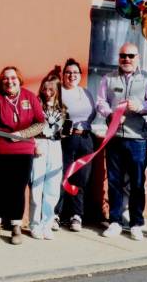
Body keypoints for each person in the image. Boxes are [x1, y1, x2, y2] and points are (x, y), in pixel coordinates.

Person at [97, 43, 147, 241]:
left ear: (138, 58)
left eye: (131, 56)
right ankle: (115, 221)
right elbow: (100, 102)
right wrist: (110, 114)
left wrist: (141, 106)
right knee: (114, 181)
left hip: (137, 139)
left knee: (137, 183)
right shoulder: (108, 78)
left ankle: (136, 223)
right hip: (115, 137)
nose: (126, 59)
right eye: (123, 56)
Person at [0, 66, 45, 245]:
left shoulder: (30, 97)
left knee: (17, 189)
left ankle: (16, 226)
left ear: (19, 79)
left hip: (23, 151)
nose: (9, 82)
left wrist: (23, 134)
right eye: (5, 79)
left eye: (13, 78)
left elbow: (40, 122)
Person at [55, 58, 96, 232]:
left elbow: (92, 114)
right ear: (63, 75)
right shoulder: (60, 93)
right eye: (68, 72)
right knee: (62, 176)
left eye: (75, 73)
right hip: (67, 139)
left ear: (80, 75)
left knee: (81, 178)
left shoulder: (86, 93)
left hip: (86, 139)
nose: (72, 75)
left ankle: (76, 216)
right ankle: (56, 215)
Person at [29, 72, 66, 240]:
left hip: (55, 145)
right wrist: (34, 144)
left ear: (57, 90)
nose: (47, 92)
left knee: (53, 186)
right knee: (37, 185)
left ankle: (47, 223)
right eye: (45, 88)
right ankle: (35, 224)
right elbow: (29, 126)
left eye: (51, 89)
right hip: (40, 144)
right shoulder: (36, 104)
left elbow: (61, 129)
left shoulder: (62, 108)